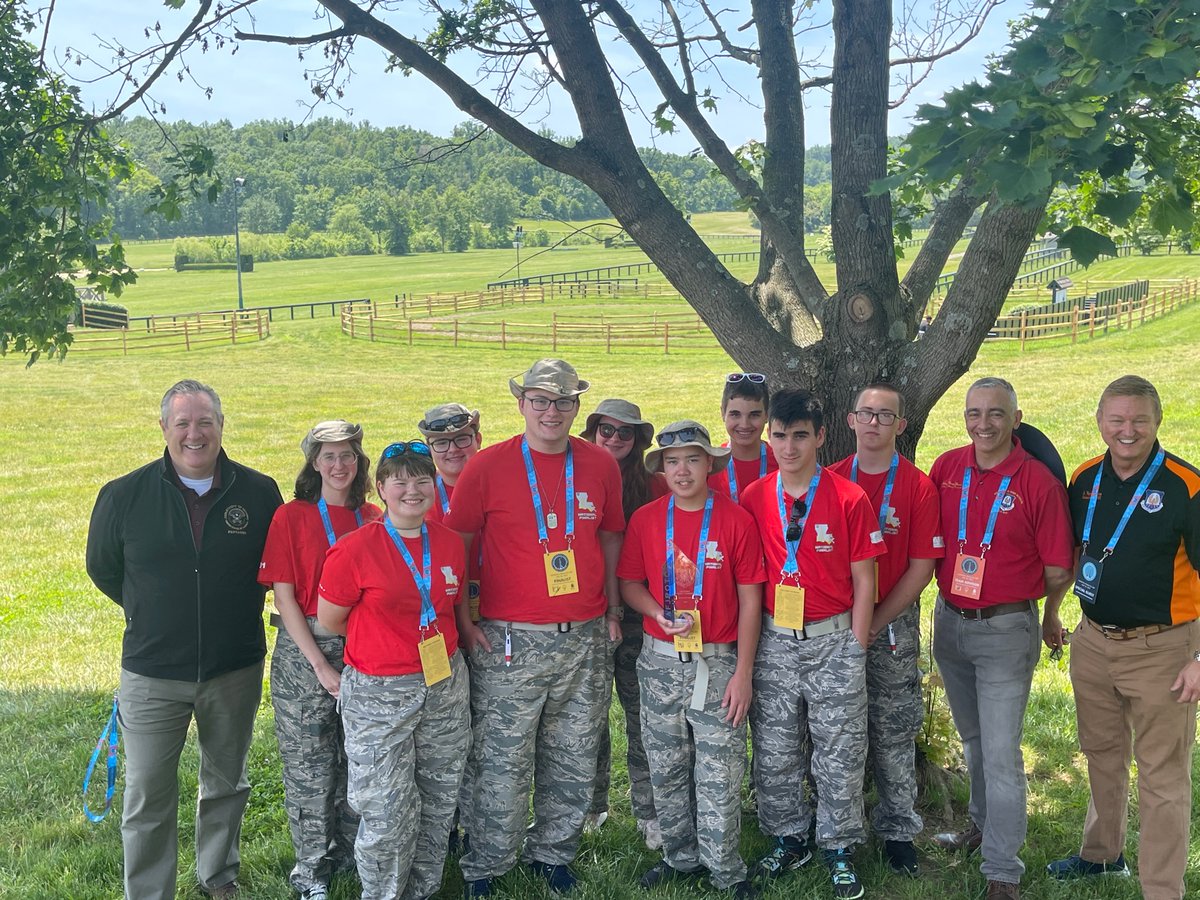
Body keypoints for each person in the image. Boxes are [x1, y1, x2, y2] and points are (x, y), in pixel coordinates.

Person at [85, 379, 283, 900]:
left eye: (205, 422)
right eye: (183, 423)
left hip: (234, 667)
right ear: (164, 429)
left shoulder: (259, 493)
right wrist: (152, 611)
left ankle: (218, 876)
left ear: (221, 426)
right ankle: (150, 893)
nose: (194, 434)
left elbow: (274, 569)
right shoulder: (124, 495)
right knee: (147, 791)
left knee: (227, 783)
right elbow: (103, 568)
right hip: (151, 673)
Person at [445, 359, 625, 897]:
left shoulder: (599, 465)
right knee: (502, 756)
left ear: (576, 408)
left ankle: (554, 854)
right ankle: (488, 863)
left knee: (572, 750)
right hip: (507, 637)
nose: (552, 411)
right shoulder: (488, 467)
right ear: (521, 404)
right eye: (541, 401)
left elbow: (610, 538)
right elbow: (461, 547)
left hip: (585, 634)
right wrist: (465, 620)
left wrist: (613, 610)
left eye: (564, 401)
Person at [1043, 375, 1200, 900]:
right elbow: (1070, 561)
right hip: (1091, 642)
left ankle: (1161, 890)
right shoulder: (1086, 478)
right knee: (1102, 753)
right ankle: (1102, 855)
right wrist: (1054, 614)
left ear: (1158, 422)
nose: (1127, 430)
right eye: (1117, 419)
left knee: (1162, 777)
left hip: (1165, 649)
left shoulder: (1186, 486)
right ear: (1100, 422)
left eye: (1139, 420)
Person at [927, 377, 1074, 900]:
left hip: (1007, 628)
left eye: (995, 413)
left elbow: (1060, 567)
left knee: (1002, 751)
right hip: (949, 622)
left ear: (1016, 419)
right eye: (974, 413)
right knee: (974, 741)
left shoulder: (1037, 483)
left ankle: (1003, 871)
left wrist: (1049, 614)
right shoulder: (946, 469)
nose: (983, 424)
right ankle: (983, 827)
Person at [740, 389, 885, 900]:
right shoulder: (755, 497)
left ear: (821, 436)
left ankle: (840, 847)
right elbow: (749, 583)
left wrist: (856, 645)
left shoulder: (849, 497)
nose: (789, 446)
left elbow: (865, 579)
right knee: (776, 748)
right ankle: (788, 836)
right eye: (779, 435)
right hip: (777, 642)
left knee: (840, 750)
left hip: (833, 641)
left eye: (800, 435)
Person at [317, 440, 470, 900]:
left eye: (422, 479)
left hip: (443, 684)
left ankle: (421, 890)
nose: (412, 489)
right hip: (380, 692)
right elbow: (330, 620)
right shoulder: (355, 549)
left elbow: (451, 603)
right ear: (381, 488)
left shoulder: (447, 541)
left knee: (439, 797)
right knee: (385, 808)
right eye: (399, 480)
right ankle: (383, 893)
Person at [618, 421, 764, 898]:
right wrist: (657, 613)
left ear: (709, 465)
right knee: (666, 765)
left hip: (717, 661)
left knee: (719, 771)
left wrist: (743, 673)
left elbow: (750, 602)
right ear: (661, 468)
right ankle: (680, 857)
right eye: (673, 461)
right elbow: (630, 584)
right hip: (659, 661)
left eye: (693, 459)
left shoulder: (736, 520)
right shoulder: (646, 520)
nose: (682, 470)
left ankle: (725, 868)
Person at [259, 420, 380, 900]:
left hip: (364, 651)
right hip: (304, 651)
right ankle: (311, 869)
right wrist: (320, 665)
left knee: (360, 758)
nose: (339, 465)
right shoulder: (292, 517)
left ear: (359, 461)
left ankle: (350, 854)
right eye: (328, 456)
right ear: (313, 462)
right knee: (309, 765)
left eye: (348, 455)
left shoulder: (374, 515)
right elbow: (284, 599)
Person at [827, 383, 943, 877]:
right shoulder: (827, 481)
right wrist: (851, 624)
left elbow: (922, 568)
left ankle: (898, 830)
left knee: (893, 730)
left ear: (901, 425)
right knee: (835, 731)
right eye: (866, 414)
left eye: (885, 416)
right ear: (850, 421)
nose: (874, 423)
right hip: (832, 626)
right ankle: (837, 826)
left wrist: (873, 622)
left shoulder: (917, 486)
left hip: (892, 623)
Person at [580, 398, 667, 848]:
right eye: (606, 430)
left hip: (642, 614)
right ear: (593, 432)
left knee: (642, 716)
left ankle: (650, 811)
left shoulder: (654, 486)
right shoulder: (577, 476)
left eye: (624, 433)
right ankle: (590, 807)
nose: (614, 439)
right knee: (587, 719)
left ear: (638, 441)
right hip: (588, 615)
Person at [417, 402, 483, 856]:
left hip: (498, 621)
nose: (454, 449)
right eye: (442, 443)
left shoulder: (498, 478)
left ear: (478, 438)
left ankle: (481, 822)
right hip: (439, 634)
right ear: (430, 448)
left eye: (463, 438)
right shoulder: (419, 493)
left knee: (488, 729)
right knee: (446, 732)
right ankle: (448, 825)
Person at [708, 372, 777, 504]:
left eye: (754, 415)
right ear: (723, 413)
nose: (744, 424)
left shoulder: (782, 461)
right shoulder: (709, 465)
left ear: (767, 415)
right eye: (735, 414)